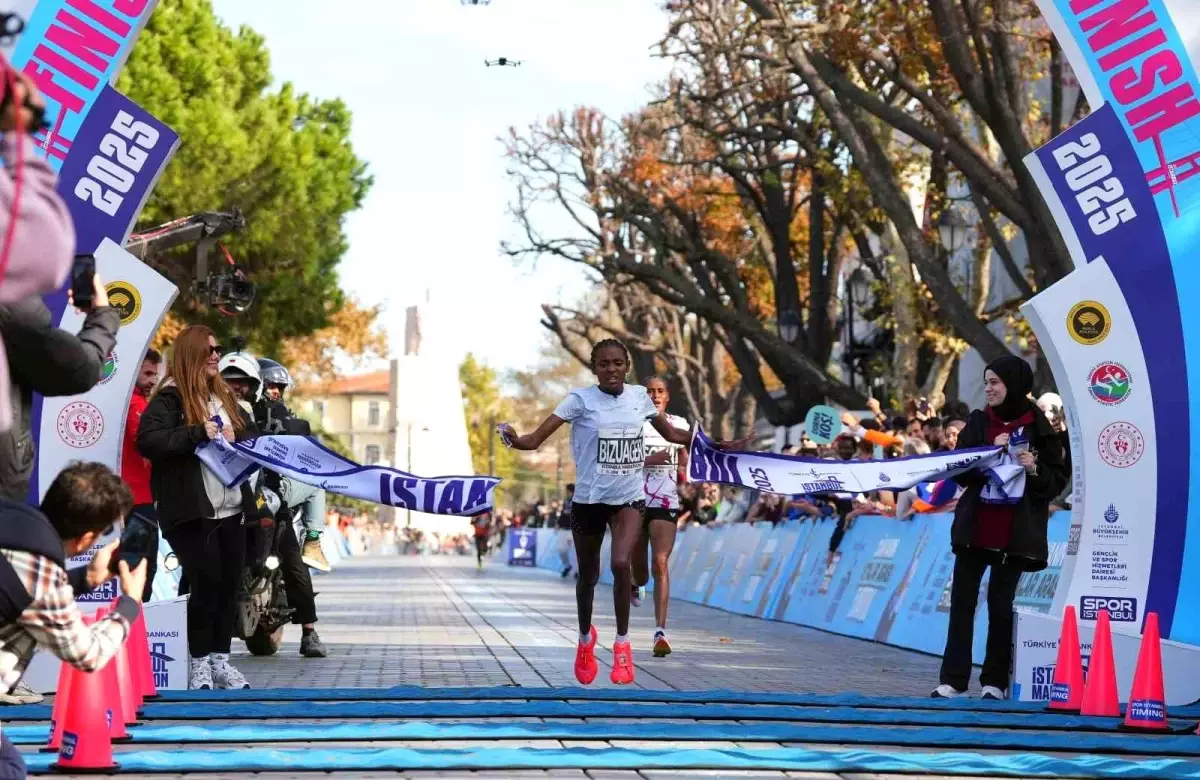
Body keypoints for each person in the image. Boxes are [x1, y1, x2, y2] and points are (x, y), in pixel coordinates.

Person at [498, 339, 744, 685]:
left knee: (620, 564)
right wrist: (510, 437)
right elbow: (533, 440)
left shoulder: (639, 399)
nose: (610, 369)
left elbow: (673, 433)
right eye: (603, 364)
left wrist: (713, 442)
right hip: (588, 500)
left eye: (617, 363)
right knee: (588, 577)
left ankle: (623, 645)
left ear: (626, 366)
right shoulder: (579, 401)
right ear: (594, 367)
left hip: (628, 498)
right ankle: (585, 640)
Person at [0, 462, 148, 776]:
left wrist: (85, 579)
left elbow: (22, 583)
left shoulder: (12, 518)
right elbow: (87, 655)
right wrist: (130, 605)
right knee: (9, 769)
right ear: (86, 539)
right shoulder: (42, 571)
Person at [933, 355, 1067, 700]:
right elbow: (957, 469)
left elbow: (1055, 483)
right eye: (986, 382)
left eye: (995, 382)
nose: (988, 389)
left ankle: (994, 682)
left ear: (1015, 385)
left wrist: (1034, 468)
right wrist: (984, 455)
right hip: (975, 529)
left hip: (1015, 534)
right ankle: (953, 681)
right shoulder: (978, 423)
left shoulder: (1040, 428)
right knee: (962, 602)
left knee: (1000, 605)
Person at [137, 325, 257, 690]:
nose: (217, 356)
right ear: (191, 355)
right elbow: (150, 441)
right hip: (190, 510)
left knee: (228, 587)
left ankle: (221, 662)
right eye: (209, 351)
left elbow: (254, 435)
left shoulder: (225, 396)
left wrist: (241, 434)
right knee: (206, 585)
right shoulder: (170, 398)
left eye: (218, 349)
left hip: (232, 507)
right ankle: (198, 662)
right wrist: (196, 433)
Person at [220, 350, 327, 658]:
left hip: (266, 495)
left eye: (243, 383)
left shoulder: (275, 417)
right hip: (225, 497)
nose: (274, 393)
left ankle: (309, 631)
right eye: (269, 387)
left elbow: (300, 445)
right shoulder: (213, 410)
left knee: (292, 559)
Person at [630, 377, 689, 658]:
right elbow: (614, 460)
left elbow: (689, 458)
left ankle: (660, 632)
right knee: (641, 571)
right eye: (650, 391)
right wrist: (647, 461)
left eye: (660, 391)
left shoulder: (680, 425)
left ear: (668, 397)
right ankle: (635, 582)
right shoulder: (631, 423)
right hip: (632, 499)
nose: (655, 395)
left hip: (665, 500)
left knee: (661, 562)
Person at [256, 357, 331, 573]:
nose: (276, 392)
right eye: (271, 386)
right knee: (317, 482)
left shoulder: (228, 408)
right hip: (266, 490)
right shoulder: (271, 412)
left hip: (255, 492)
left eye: (279, 387)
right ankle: (313, 542)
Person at [121, 349, 162, 603]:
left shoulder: (138, 403)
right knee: (141, 572)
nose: (152, 380)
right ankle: (134, 631)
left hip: (135, 499)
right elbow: (148, 444)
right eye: (147, 373)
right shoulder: (135, 404)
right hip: (137, 502)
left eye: (154, 375)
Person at [557, 484, 574, 578]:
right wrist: (558, 524)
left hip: (575, 529)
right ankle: (567, 566)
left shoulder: (579, 500)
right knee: (561, 549)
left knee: (577, 552)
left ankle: (578, 571)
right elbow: (563, 513)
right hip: (564, 528)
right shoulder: (566, 501)